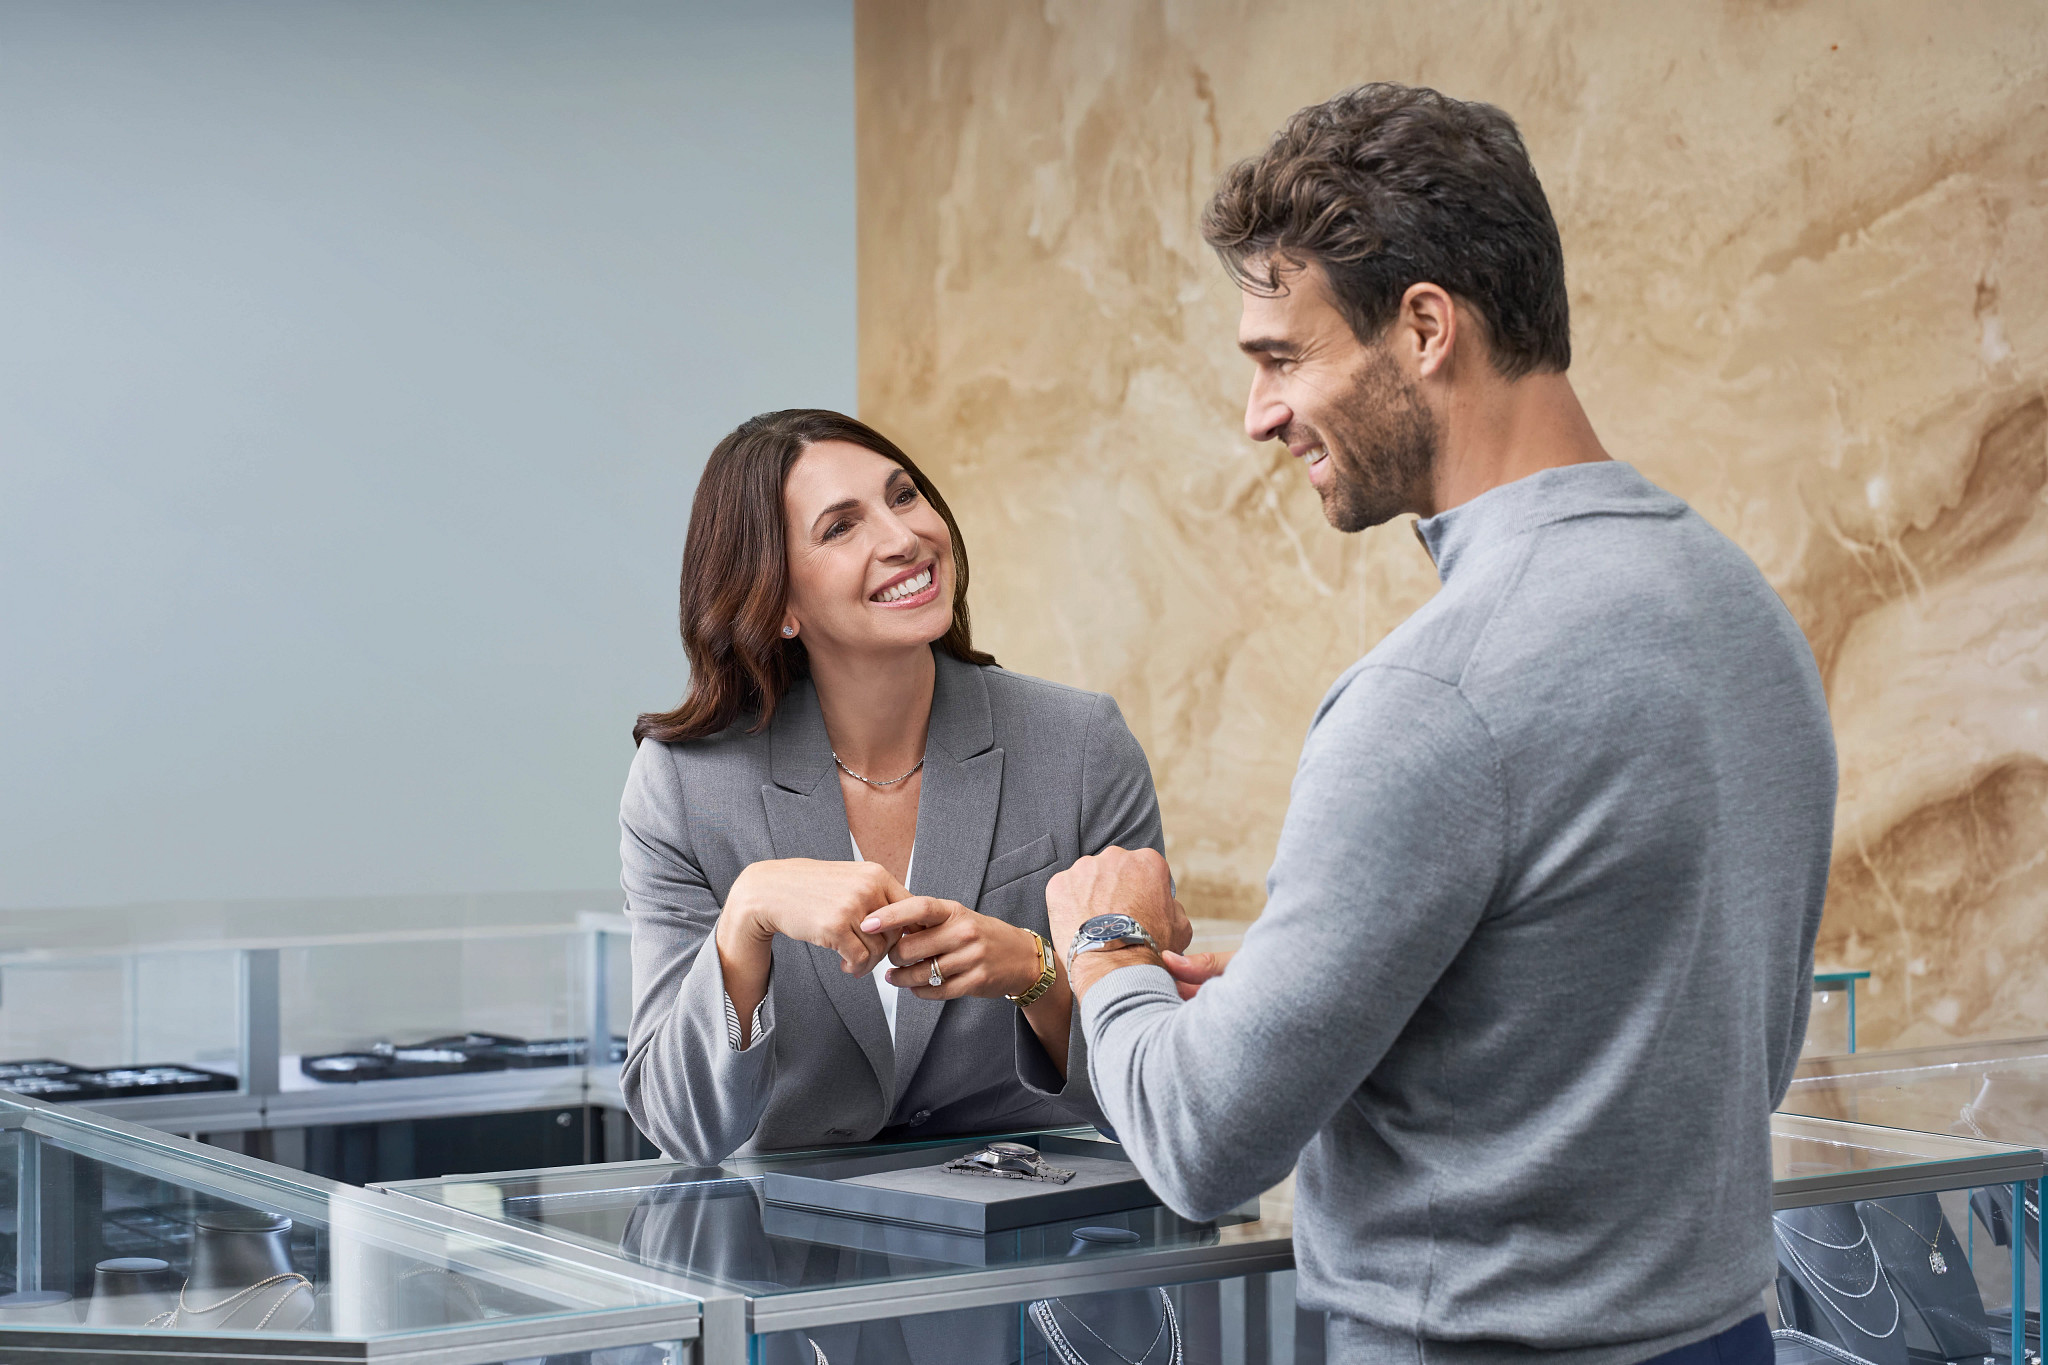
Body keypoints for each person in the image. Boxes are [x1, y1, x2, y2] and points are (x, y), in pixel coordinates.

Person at [1044, 85, 1836, 1365]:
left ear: (1423, 327)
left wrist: (1106, 949)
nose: (1258, 415)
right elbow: (1685, 1024)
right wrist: (1376, 995)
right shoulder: (1739, 608)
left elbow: (1199, 1144)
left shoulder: (1436, 695)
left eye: (1281, 357)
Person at [620, 408, 1171, 1166]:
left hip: (1029, 1248)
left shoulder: (1080, 744)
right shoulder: (684, 786)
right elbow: (681, 1128)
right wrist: (743, 923)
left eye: (904, 495)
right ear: (778, 603)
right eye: (841, 527)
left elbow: (1158, 1084)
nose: (903, 536)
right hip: (782, 1256)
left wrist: (1034, 972)